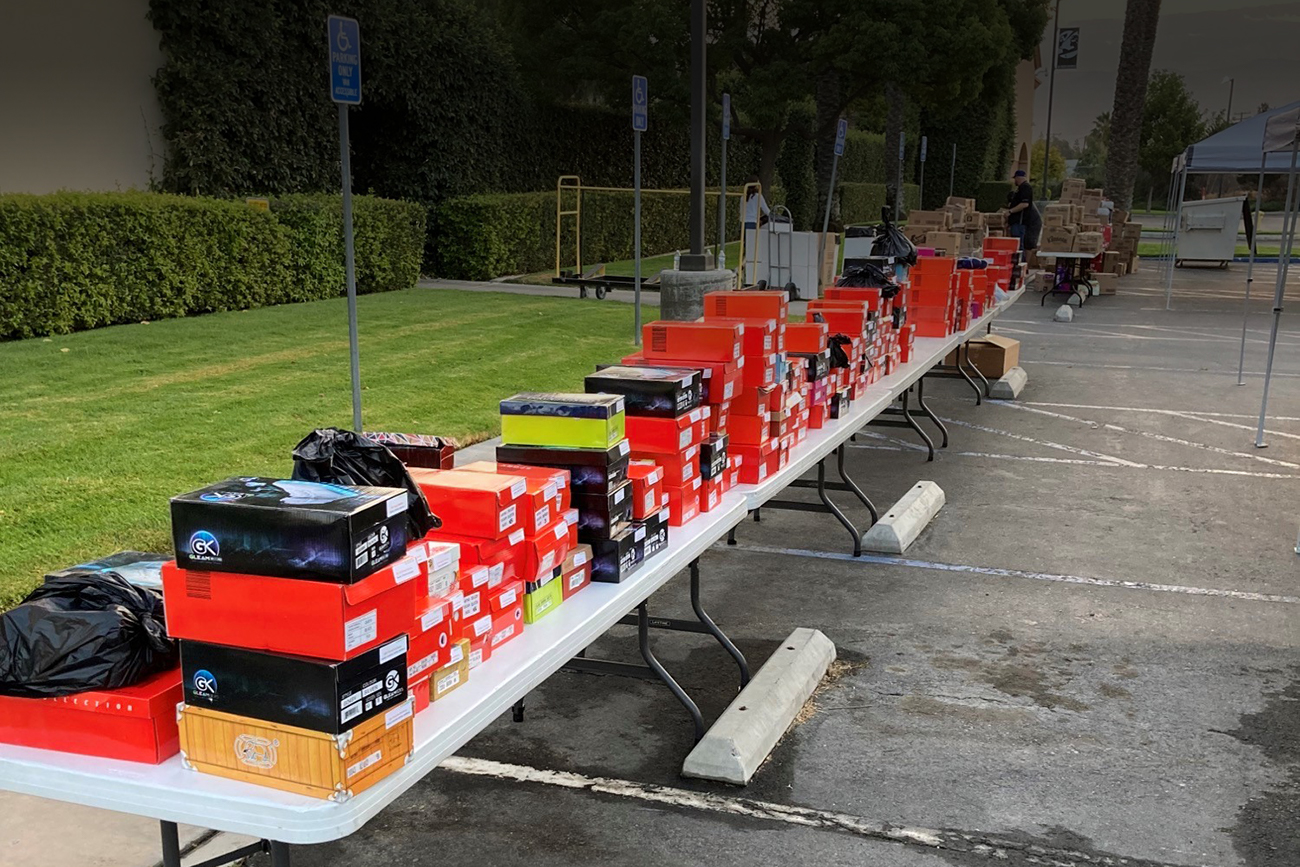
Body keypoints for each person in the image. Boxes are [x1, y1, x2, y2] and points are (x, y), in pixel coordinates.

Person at [1006, 170, 1041, 261]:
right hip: (1017, 222)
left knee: (1018, 245)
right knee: (1017, 244)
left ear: (1018, 178)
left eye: (1015, 178)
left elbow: (1024, 204)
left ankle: (1020, 263)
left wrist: (1010, 211)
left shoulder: (1025, 187)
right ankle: (1019, 263)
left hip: (1020, 222)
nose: (1015, 181)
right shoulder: (1020, 188)